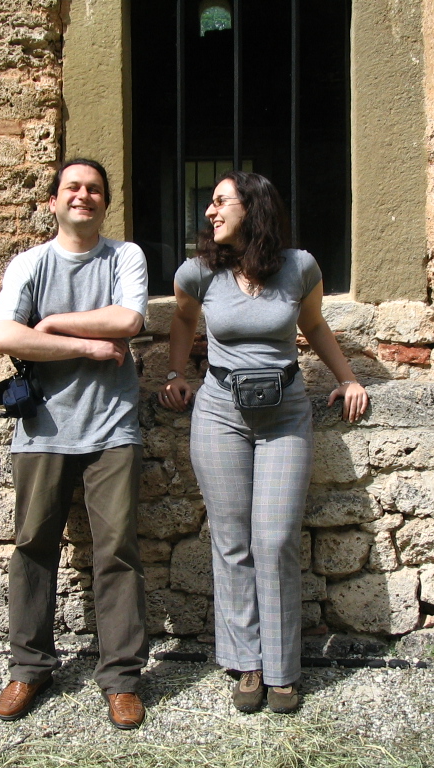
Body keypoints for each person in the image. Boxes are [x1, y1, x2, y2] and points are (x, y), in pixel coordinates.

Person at [158, 171, 368, 714]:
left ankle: (282, 669)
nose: (210, 211)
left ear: (253, 208)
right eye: (210, 203)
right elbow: (182, 320)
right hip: (220, 413)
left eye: (220, 201)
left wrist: (347, 378)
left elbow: (314, 325)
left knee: (274, 541)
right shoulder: (199, 271)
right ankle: (246, 663)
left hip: (285, 415)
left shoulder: (300, 266)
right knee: (232, 541)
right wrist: (177, 372)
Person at [0, 158, 149, 730]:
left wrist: (54, 325)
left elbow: (128, 320)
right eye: (72, 188)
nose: (84, 196)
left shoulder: (124, 256)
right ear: (54, 201)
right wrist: (87, 347)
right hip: (43, 429)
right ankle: (29, 668)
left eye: (95, 190)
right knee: (33, 545)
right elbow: (5, 335)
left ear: (106, 202)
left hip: (112, 427)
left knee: (117, 551)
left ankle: (122, 679)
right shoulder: (30, 263)